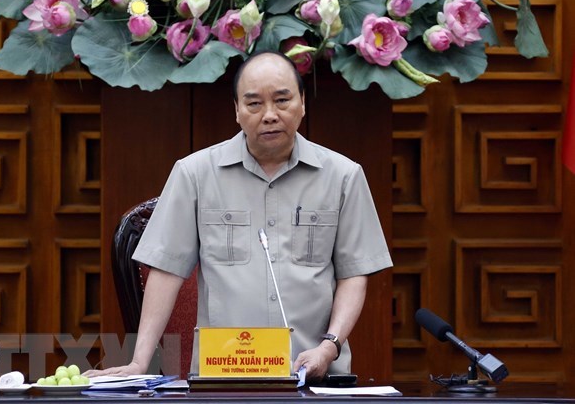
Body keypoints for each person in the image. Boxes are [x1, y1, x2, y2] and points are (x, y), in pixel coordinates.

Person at [85, 51, 392, 382]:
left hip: (315, 375)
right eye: (254, 104)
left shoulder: (343, 177)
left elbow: (354, 275)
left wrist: (329, 347)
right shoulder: (195, 174)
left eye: (282, 100)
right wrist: (139, 361)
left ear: (302, 103)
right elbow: (165, 270)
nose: (270, 115)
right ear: (236, 110)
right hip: (223, 377)